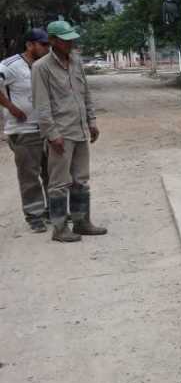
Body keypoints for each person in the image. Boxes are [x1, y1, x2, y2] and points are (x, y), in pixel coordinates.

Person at [32, 19, 106, 242]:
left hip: (81, 129)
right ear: (52, 41)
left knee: (81, 180)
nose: (70, 43)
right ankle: (60, 228)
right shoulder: (41, 68)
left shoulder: (75, 61)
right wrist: (52, 135)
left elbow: (85, 94)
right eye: (65, 40)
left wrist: (91, 121)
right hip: (61, 134)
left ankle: (82, 222)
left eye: (72, 39)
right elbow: (42, 107)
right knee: (58, 184)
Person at [0, 29, 51, 232]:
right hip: (23, 131)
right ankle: (35, 216)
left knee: (52, 173)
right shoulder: (10, 65)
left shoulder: (45, 65)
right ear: (30, 45)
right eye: (43, 45)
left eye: (48, 45)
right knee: (29, 175)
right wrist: (11, 107)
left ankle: (52, 210)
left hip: (47, 128)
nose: (47, 48)